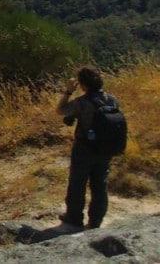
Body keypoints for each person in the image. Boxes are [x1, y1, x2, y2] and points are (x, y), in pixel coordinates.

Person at [56, 66, 118, 229]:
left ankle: (74, 218)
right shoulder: (112, 99)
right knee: (100, 184)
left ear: (82, 84)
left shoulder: (82, 102)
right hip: (105, 149)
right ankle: (96, 221)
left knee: (78, 183)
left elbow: (60, 110)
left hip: (84, 148)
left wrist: (68, 91)